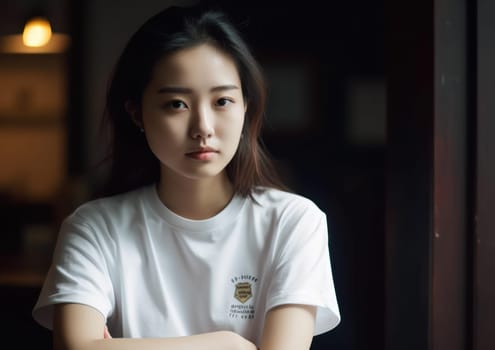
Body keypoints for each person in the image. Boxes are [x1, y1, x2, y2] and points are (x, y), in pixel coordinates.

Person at [32, 3, 341, 350]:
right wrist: (229, 345)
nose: (203, 128)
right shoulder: (94, 228)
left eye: (222, 101)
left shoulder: (293, 222)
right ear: (137, 113)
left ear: (246, 107)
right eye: (177, 104)